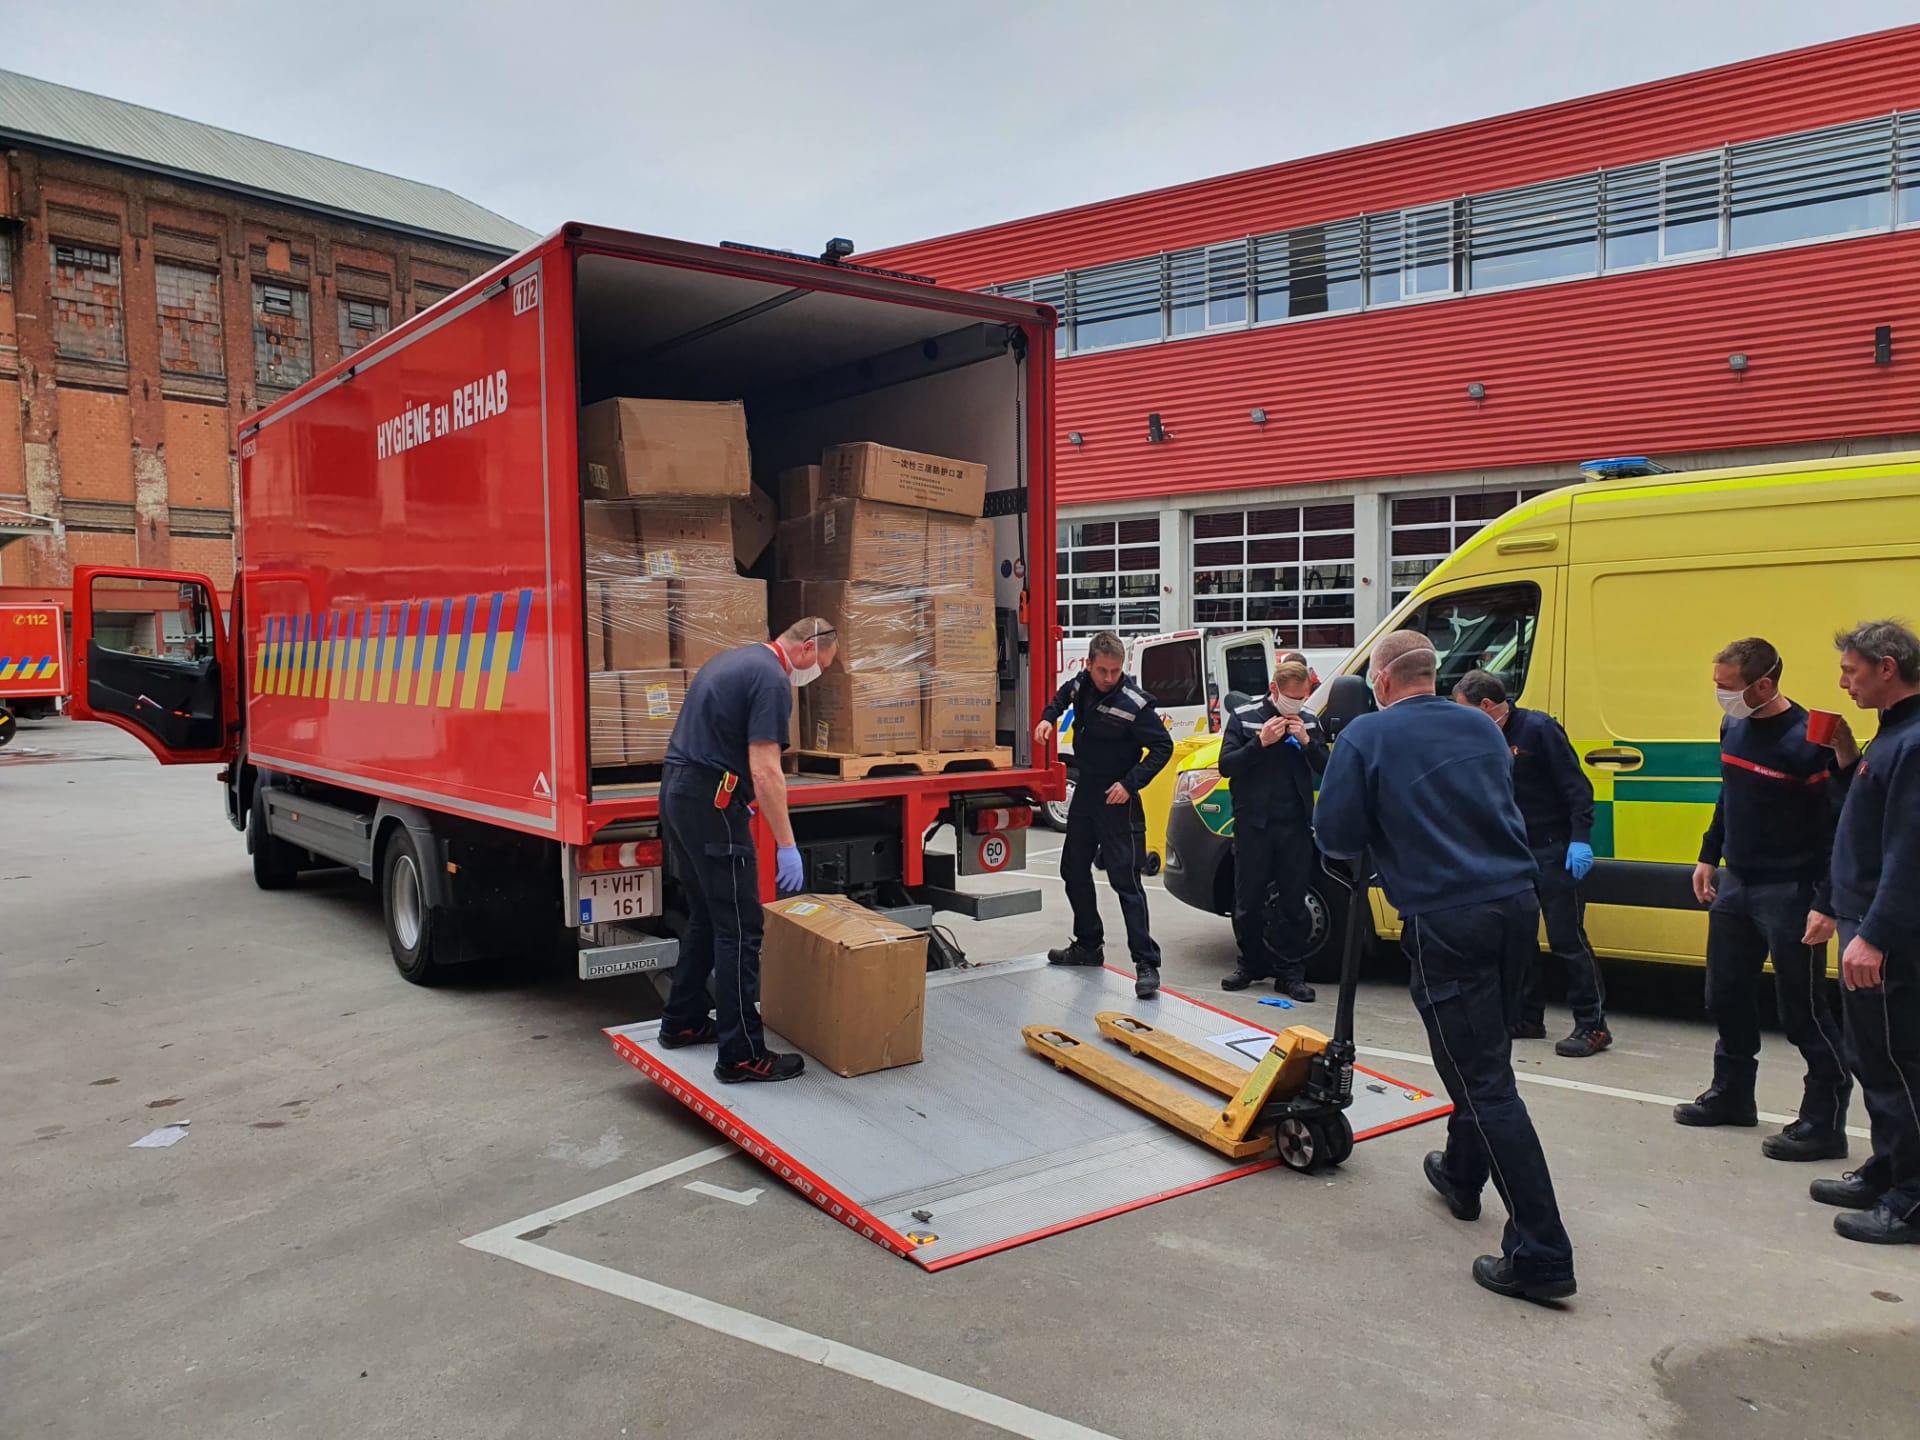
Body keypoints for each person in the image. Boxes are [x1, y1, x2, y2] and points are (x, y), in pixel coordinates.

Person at [1317, 629, 1576, 1302]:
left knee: (1483, 1078)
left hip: (1450, 915)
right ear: (1434, 674)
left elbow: (1337, 838)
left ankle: (1541, 1251)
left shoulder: (1366, 739)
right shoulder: (1483, 728)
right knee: (1485, 1056)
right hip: (1518, 906)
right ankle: (1462, 1174)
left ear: (1379, 681)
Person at [1676, 637, 1856, 1161]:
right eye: (1716, 685)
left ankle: (1824, 1121)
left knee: (1801, 1011)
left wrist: (1825, 900)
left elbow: (1838, 828)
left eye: (1727, 687)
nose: (1721, 696)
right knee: (1724, 994)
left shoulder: (1807, 741)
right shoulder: (1734, 725)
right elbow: (1729, 794)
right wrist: (1709, 854)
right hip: (1738, 882)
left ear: (1765, 684)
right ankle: (1732, 1095)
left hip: (1792, 889)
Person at [656, 618, 839, 1084]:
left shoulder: (734, 659)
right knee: (740, 928)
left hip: (681, 792)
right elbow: (767, 771)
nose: (815, 673)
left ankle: (683, 1021)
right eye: (821, 664)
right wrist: (787, 845)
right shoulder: (774, 680)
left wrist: (736, 796)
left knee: (705, 913)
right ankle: (740, 1055)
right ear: (808, 648)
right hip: (711, 800)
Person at [1803, 620, 1920, 1245]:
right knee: (1872, 1057)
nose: (1843, 681)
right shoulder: (1889, 736)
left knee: (1899, 1062)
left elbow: (1908, 853)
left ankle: (1912, 1199)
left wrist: (1874, 933)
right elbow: (1860, 820)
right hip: (1860, 917)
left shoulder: (1915, 741)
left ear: (1888, 666)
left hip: (1889, 933)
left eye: (1851, 670)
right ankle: (1889, 1167)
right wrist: (1848, 754)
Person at [1451, 670, 1612, 1058]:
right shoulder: (1483, 735)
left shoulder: (1538, 730)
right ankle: (1527, 1016)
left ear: (1487, 706)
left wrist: (1579, 840)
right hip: (1511, 853)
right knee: (1518, 941)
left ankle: (1593, 1025)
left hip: (1552, 850)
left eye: (1465, 710)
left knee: (1566, 940)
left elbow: (1577, 789)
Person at [1035, 631, 1175, 998]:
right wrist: (1049, 718)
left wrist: (1130, 784)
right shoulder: (1082, 684)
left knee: (1126, 884)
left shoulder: (1135, 704)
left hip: (1118, 800)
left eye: (1115, 671)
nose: (1109, 678)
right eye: (1102, 671)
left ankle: (1146, 964)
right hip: (1086, 794)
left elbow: (1163, 747)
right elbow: (1063, 694)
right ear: (1089, 665)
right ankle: (1088, 946)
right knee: (1072, 870)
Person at [1218, 657, 1328, 999]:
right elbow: (1226, 766)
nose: (1295, 704)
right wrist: (1259, 743)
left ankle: (1290, 972)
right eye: (1289, 697)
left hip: (1294, 825)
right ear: (1273, 690)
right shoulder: (1245, 718)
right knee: (1248, 900)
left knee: (1294, 901)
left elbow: (1328, 768)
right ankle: (1250, 963)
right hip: (1254, 825)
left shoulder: (1308, 721)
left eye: (1301, 698)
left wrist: (1308, 743)